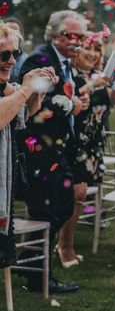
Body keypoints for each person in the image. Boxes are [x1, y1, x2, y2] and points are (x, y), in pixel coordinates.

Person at [18, 10, 90, 293]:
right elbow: (34, 104)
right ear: (56, 36)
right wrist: (71, 105)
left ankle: (30, 263)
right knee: (49, 209)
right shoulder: (40, 59)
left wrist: (77, 100)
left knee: (60, 207)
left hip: (58, 148)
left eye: (82, 37)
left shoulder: (67, 63)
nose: (78, 42)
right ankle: (39, 276)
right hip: (40, 149)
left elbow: (66, 98)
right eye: (72, 36)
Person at [56, 37, 115, 267]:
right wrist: (93, 85)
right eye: (88, 48)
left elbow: (111, 104)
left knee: (79, 195)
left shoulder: (98, 76)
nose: (92, 53)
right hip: (74, 143)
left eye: (97, 50)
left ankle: (63, 241)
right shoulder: (71, 75)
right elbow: (68, 98)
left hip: (93, 145)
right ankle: (65, 245)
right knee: (78, 193)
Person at [0, 23, 54, 268]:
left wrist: (35, 97)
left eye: (15, 54)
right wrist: (25, 89)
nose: (11, 61)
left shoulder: (7, 89)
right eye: (4, 55)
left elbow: (21, 117)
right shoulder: (13, 90)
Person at [4, 17, 29, 83]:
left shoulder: (28, 60)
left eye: (15, 32)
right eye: (8, 31)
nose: (12, 35)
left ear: (21, 35)